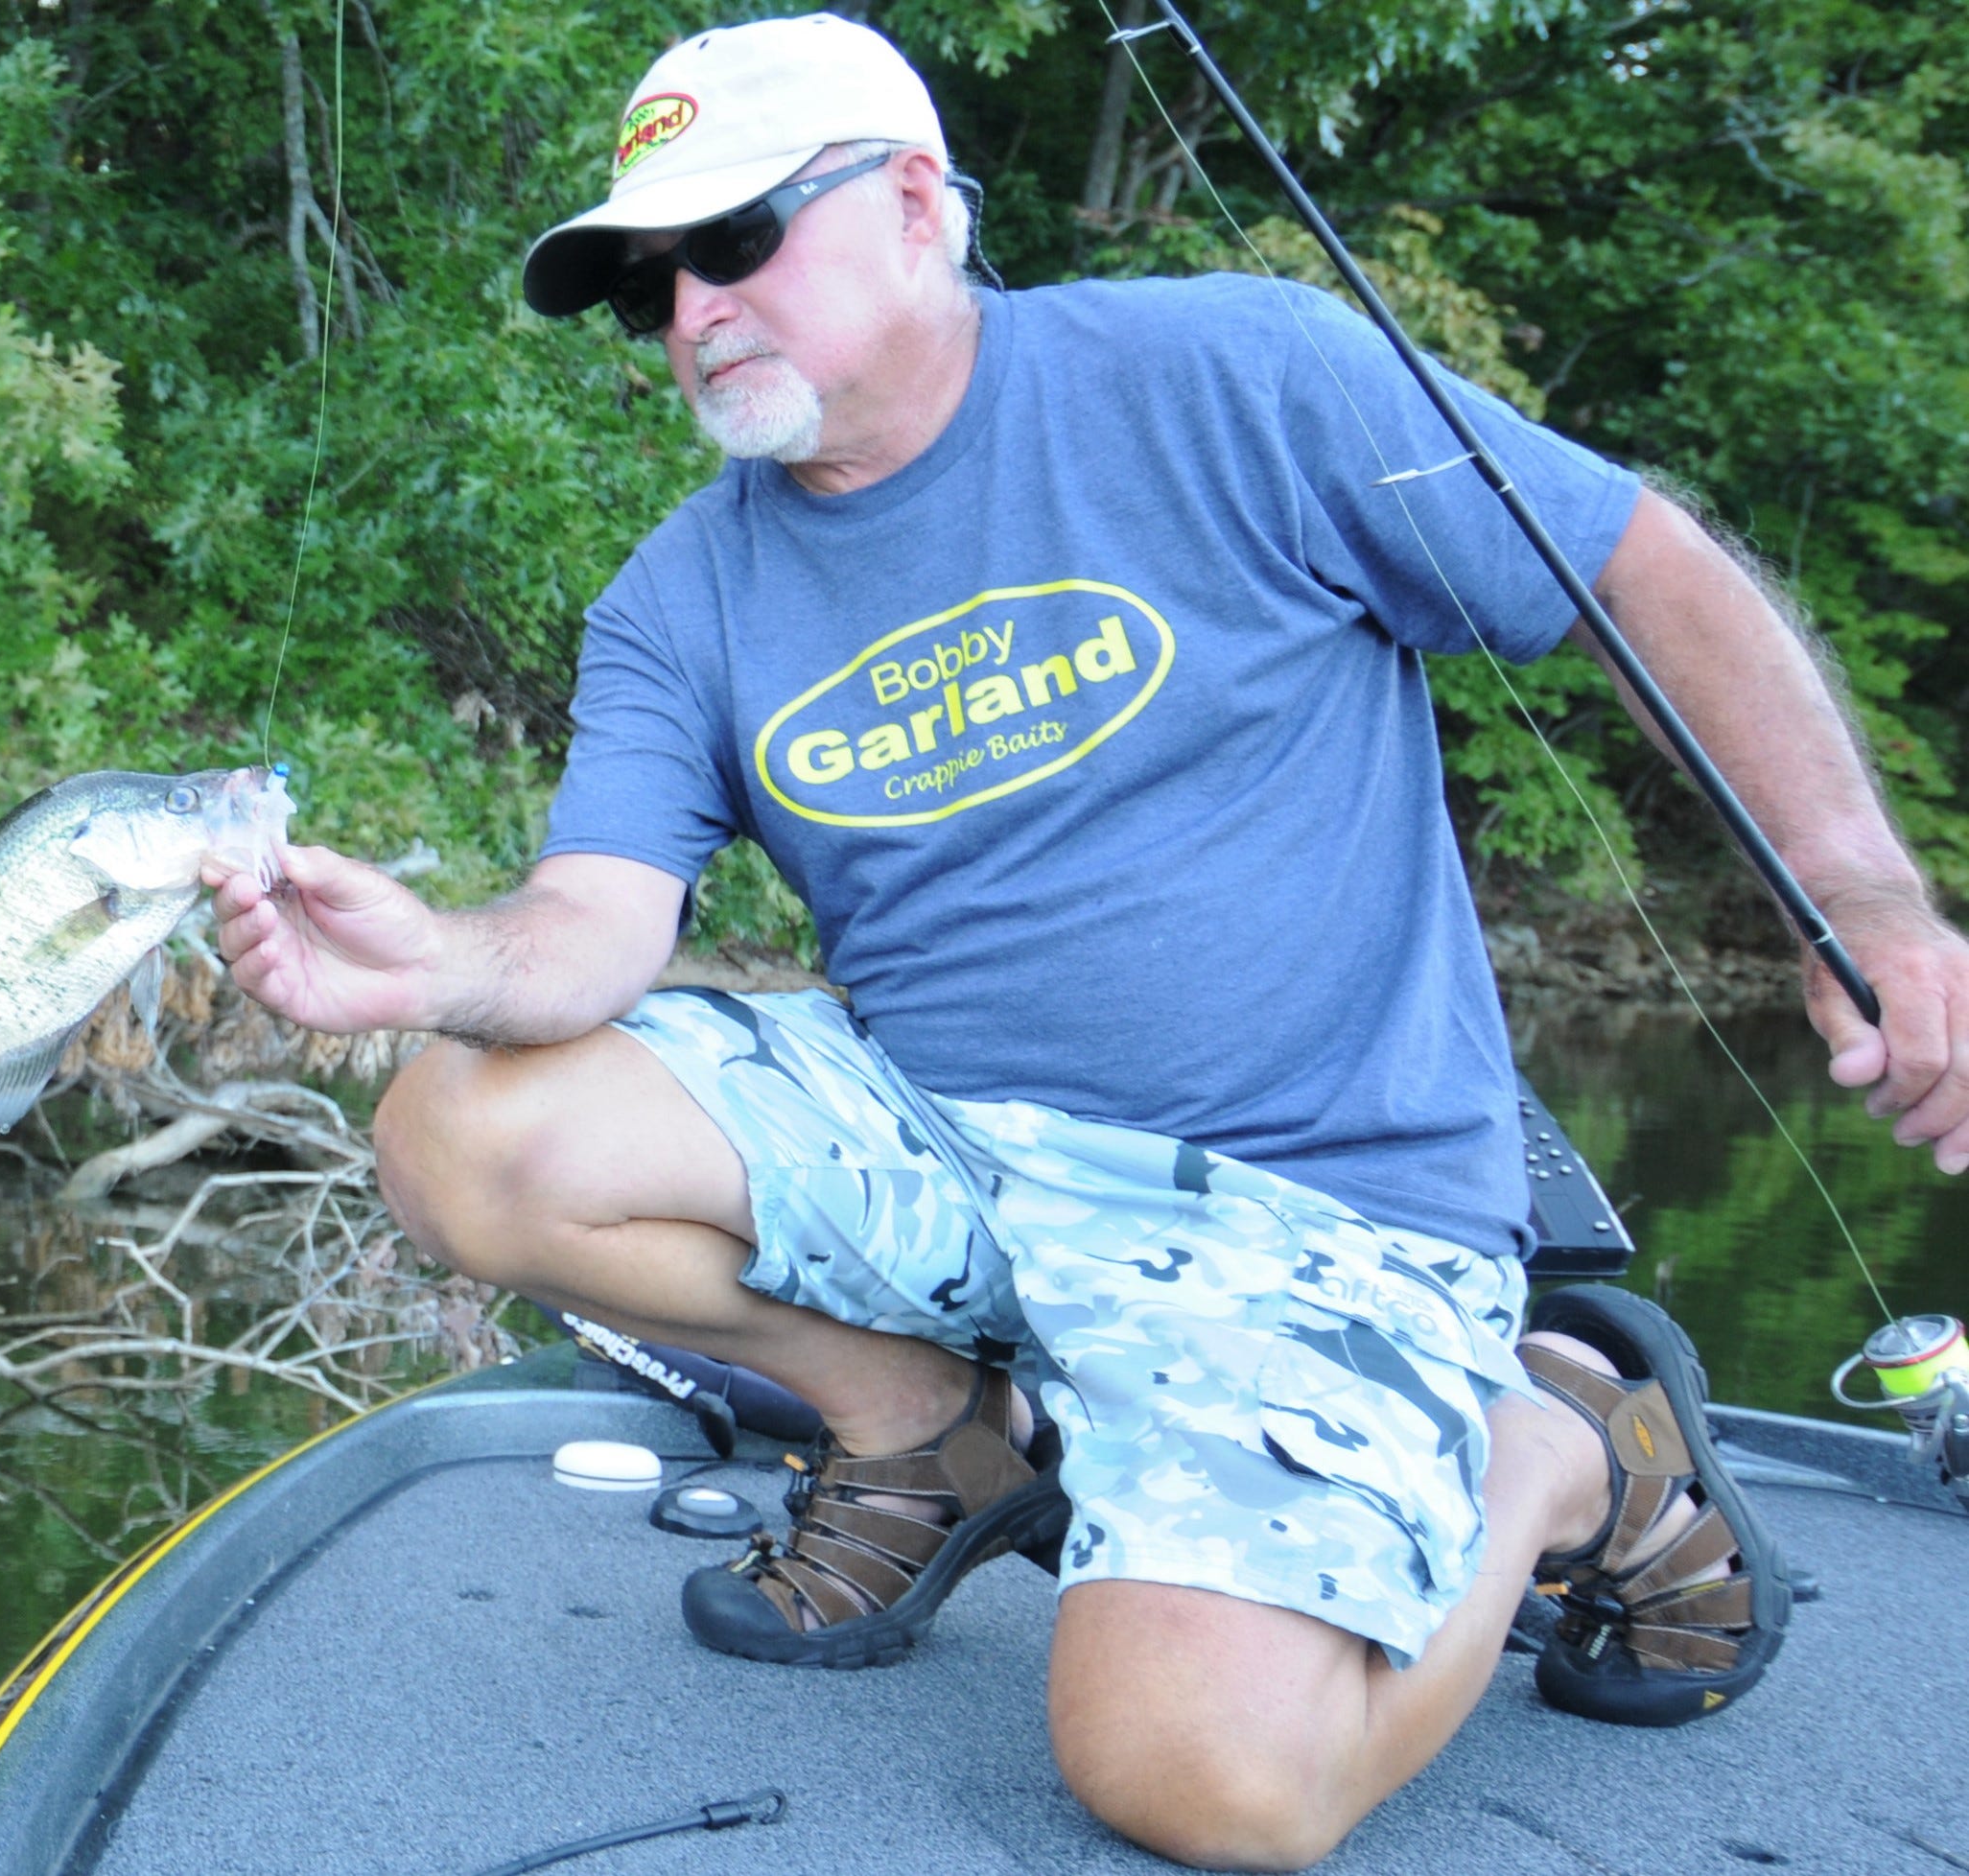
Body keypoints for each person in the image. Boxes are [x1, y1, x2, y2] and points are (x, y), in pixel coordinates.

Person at [200, 12, 1969, 1869]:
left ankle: (1561, 1439)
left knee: (1193, 1777)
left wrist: (1854, 892)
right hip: (958, 1158)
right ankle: (923, 1433)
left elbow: (1633, 563)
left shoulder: (1241, 378)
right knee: (455, 1126)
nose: (685, 313)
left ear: (910, 207)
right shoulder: (678, 599)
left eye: (728, 244)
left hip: (1315, 1204)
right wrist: (432, 963)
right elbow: (586, 934)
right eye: (644, 283)